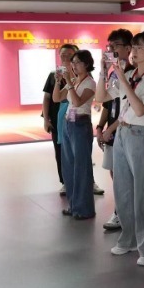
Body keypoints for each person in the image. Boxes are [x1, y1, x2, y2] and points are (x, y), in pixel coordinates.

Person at [96, 31, 144, 266]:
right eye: (133, 47)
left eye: (139, 48)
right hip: (123, 133)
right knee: (123, 190)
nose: (133, 52)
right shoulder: (128, 74)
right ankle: (129, 239)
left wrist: (122, 78)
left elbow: (140, 109)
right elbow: (102, 96)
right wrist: (103, 71)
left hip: (142, 134)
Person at [53, 50, 97, 220]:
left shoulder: (90, 83)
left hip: (80, 124)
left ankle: (84, 209)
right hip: (68, 123)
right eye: (73, 62)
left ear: (87, 64)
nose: (74, 65)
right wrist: (59, 82)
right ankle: (73, 205)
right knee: (68, 166)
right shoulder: (73, 81)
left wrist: (70, 84)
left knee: (81, 167)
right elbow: (57, 98)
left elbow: (78, 102)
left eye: (77, 62)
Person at [98, 29, 134, 231]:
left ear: (128, 48)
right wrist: (103, 71)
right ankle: (121, 211)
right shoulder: (114, 74)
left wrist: (110, 128)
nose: (111, 50)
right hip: (115, 131)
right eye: (109, 46)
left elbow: (130, 110)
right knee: (116, 174)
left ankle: (125, 214)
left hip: (129, 131)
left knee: (128, 177)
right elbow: (104, 100)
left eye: (115, 46)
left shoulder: (134, 75)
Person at [42, 44, 78, 195]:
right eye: (63, 54)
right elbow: (47, 98)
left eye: (69, 54)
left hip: (76, 117)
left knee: (79, 151)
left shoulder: (80, 74)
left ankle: (85, 181)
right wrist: (46, 119)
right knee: (60, 151)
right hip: (57, 119)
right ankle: (65, 182)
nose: (66, 57)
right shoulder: (53, 75)